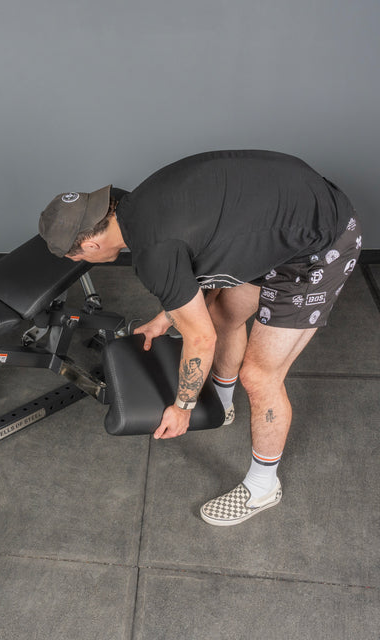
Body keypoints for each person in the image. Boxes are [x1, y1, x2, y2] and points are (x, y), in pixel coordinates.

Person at [38, 150, 362, 526]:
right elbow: (200, 260)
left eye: (74, 255)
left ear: (90, 247)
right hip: (279, 221)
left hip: (321, 242)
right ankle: (221, 405)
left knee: (259, 376)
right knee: (224, 314)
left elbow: (200, 339)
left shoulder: (153, 253)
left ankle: (262, 487)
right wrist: (167, 316)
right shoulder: (136, 204)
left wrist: (183, 408)